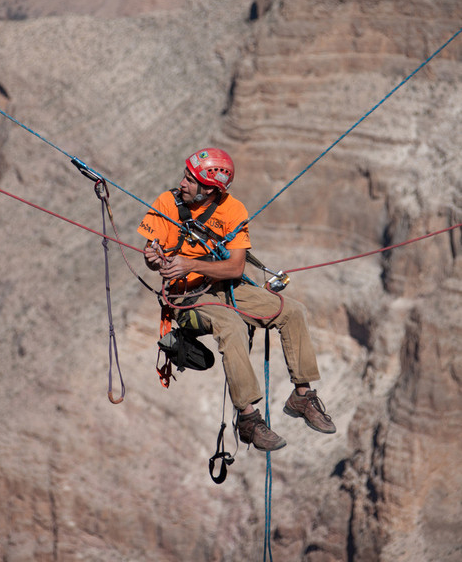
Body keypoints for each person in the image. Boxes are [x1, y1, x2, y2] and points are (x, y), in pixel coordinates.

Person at [137, 147, 336, 451]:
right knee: (231, 326)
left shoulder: (233, 211)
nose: (183, 183)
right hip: (187, 297)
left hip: (227, 284)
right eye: (185, 176)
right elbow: (153, 258)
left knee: (292, 311)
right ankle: (248, 418)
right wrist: (153, 258)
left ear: (210, 189)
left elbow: (235, 267)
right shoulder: (167, 203)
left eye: (191, 180)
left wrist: (191, 263)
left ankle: (302, 395)